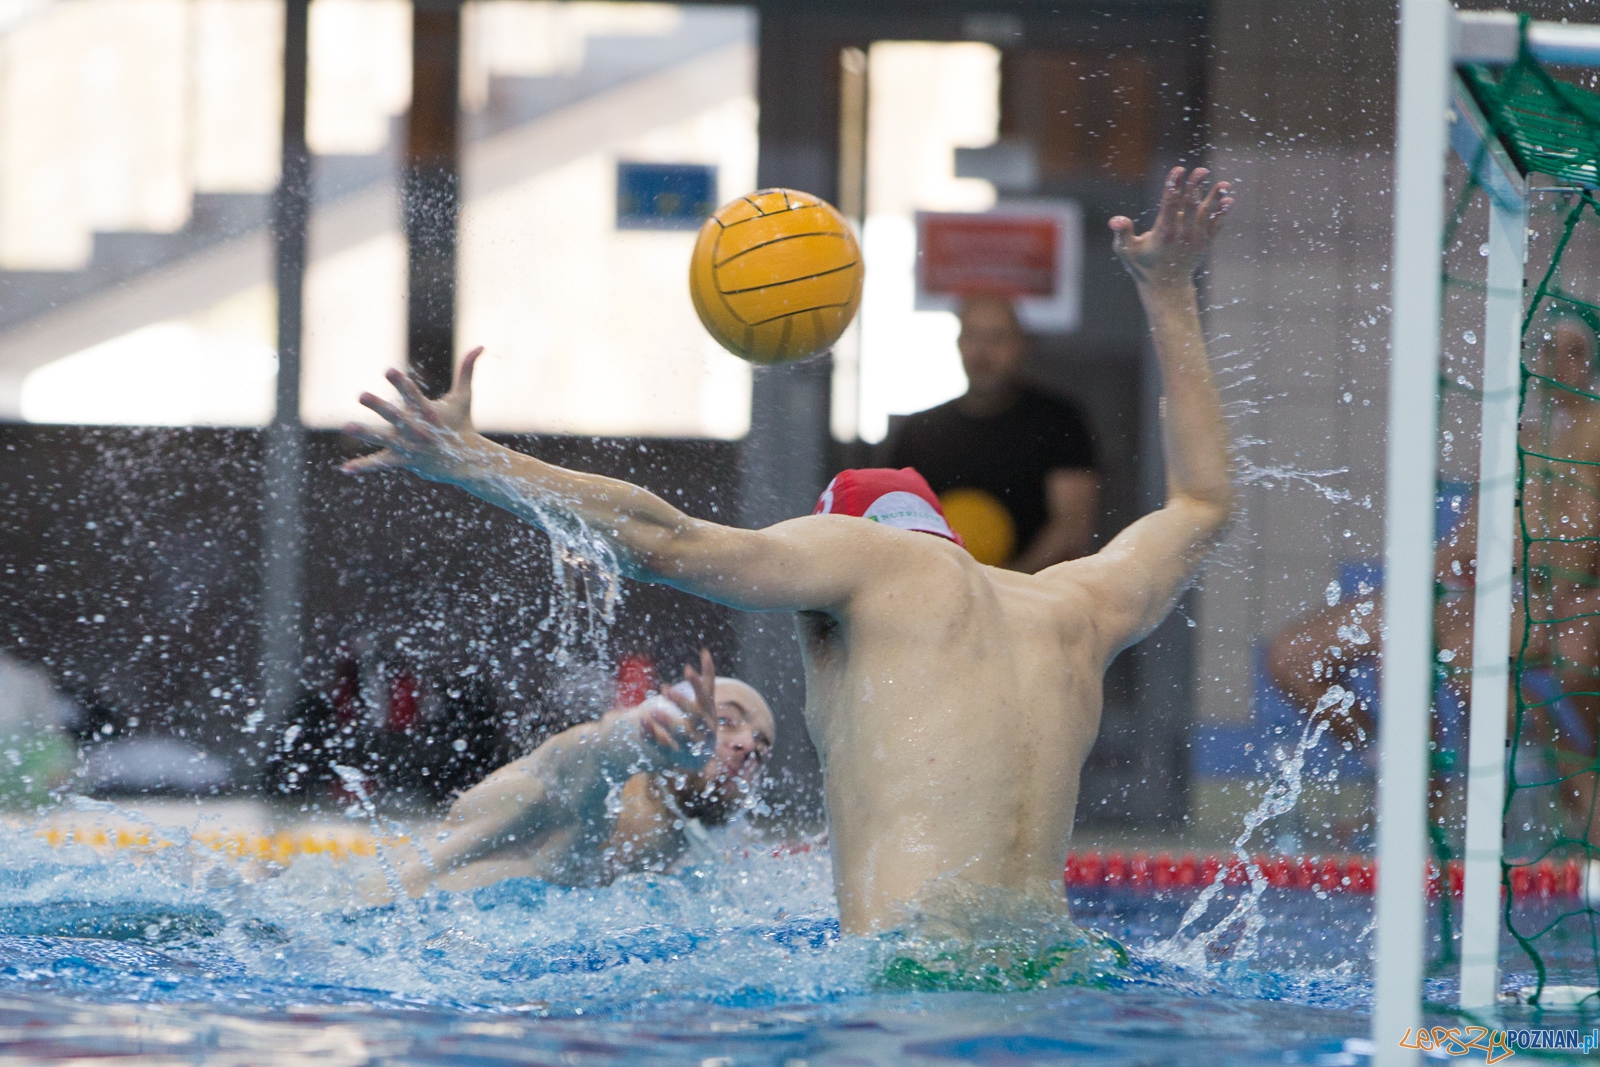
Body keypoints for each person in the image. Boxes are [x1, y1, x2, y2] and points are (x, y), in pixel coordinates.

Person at [343, 166, 1233, 943]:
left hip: (908, 987)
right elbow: (1201, 501)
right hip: (1047, 977)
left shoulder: (873, 565)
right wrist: (1169, 289)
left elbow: (666, 541)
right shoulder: (1076, 608)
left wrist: (475, 460)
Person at [1268, 316, 1600, 882]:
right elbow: (1467, 541)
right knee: (1294, 655)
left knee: (1467, 664)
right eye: (1549, 349)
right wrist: (1425, 575)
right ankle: (1406, 772)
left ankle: (1534, 807)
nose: (1558, 363)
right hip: (1479, 599)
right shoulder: (1525, 436)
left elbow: (1568, 556)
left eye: (1573, 351)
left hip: (1554, 604)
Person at [366, 649, 774, 898]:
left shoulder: (672, 848)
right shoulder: (579, 792)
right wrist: (653, 741)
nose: (747, 747)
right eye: (726, 722)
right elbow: (597, 750)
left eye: (761, 744)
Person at [882, 294, 1099, 571]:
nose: (982, 351)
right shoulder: (918, 433)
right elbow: (890, 526)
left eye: (997, 338)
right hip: (936, 596)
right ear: (959, 343)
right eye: (972, 336)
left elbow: (1072, 527)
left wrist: (1005, 587)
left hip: (1032, 601)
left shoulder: (1059, 422)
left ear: (1021, 345)